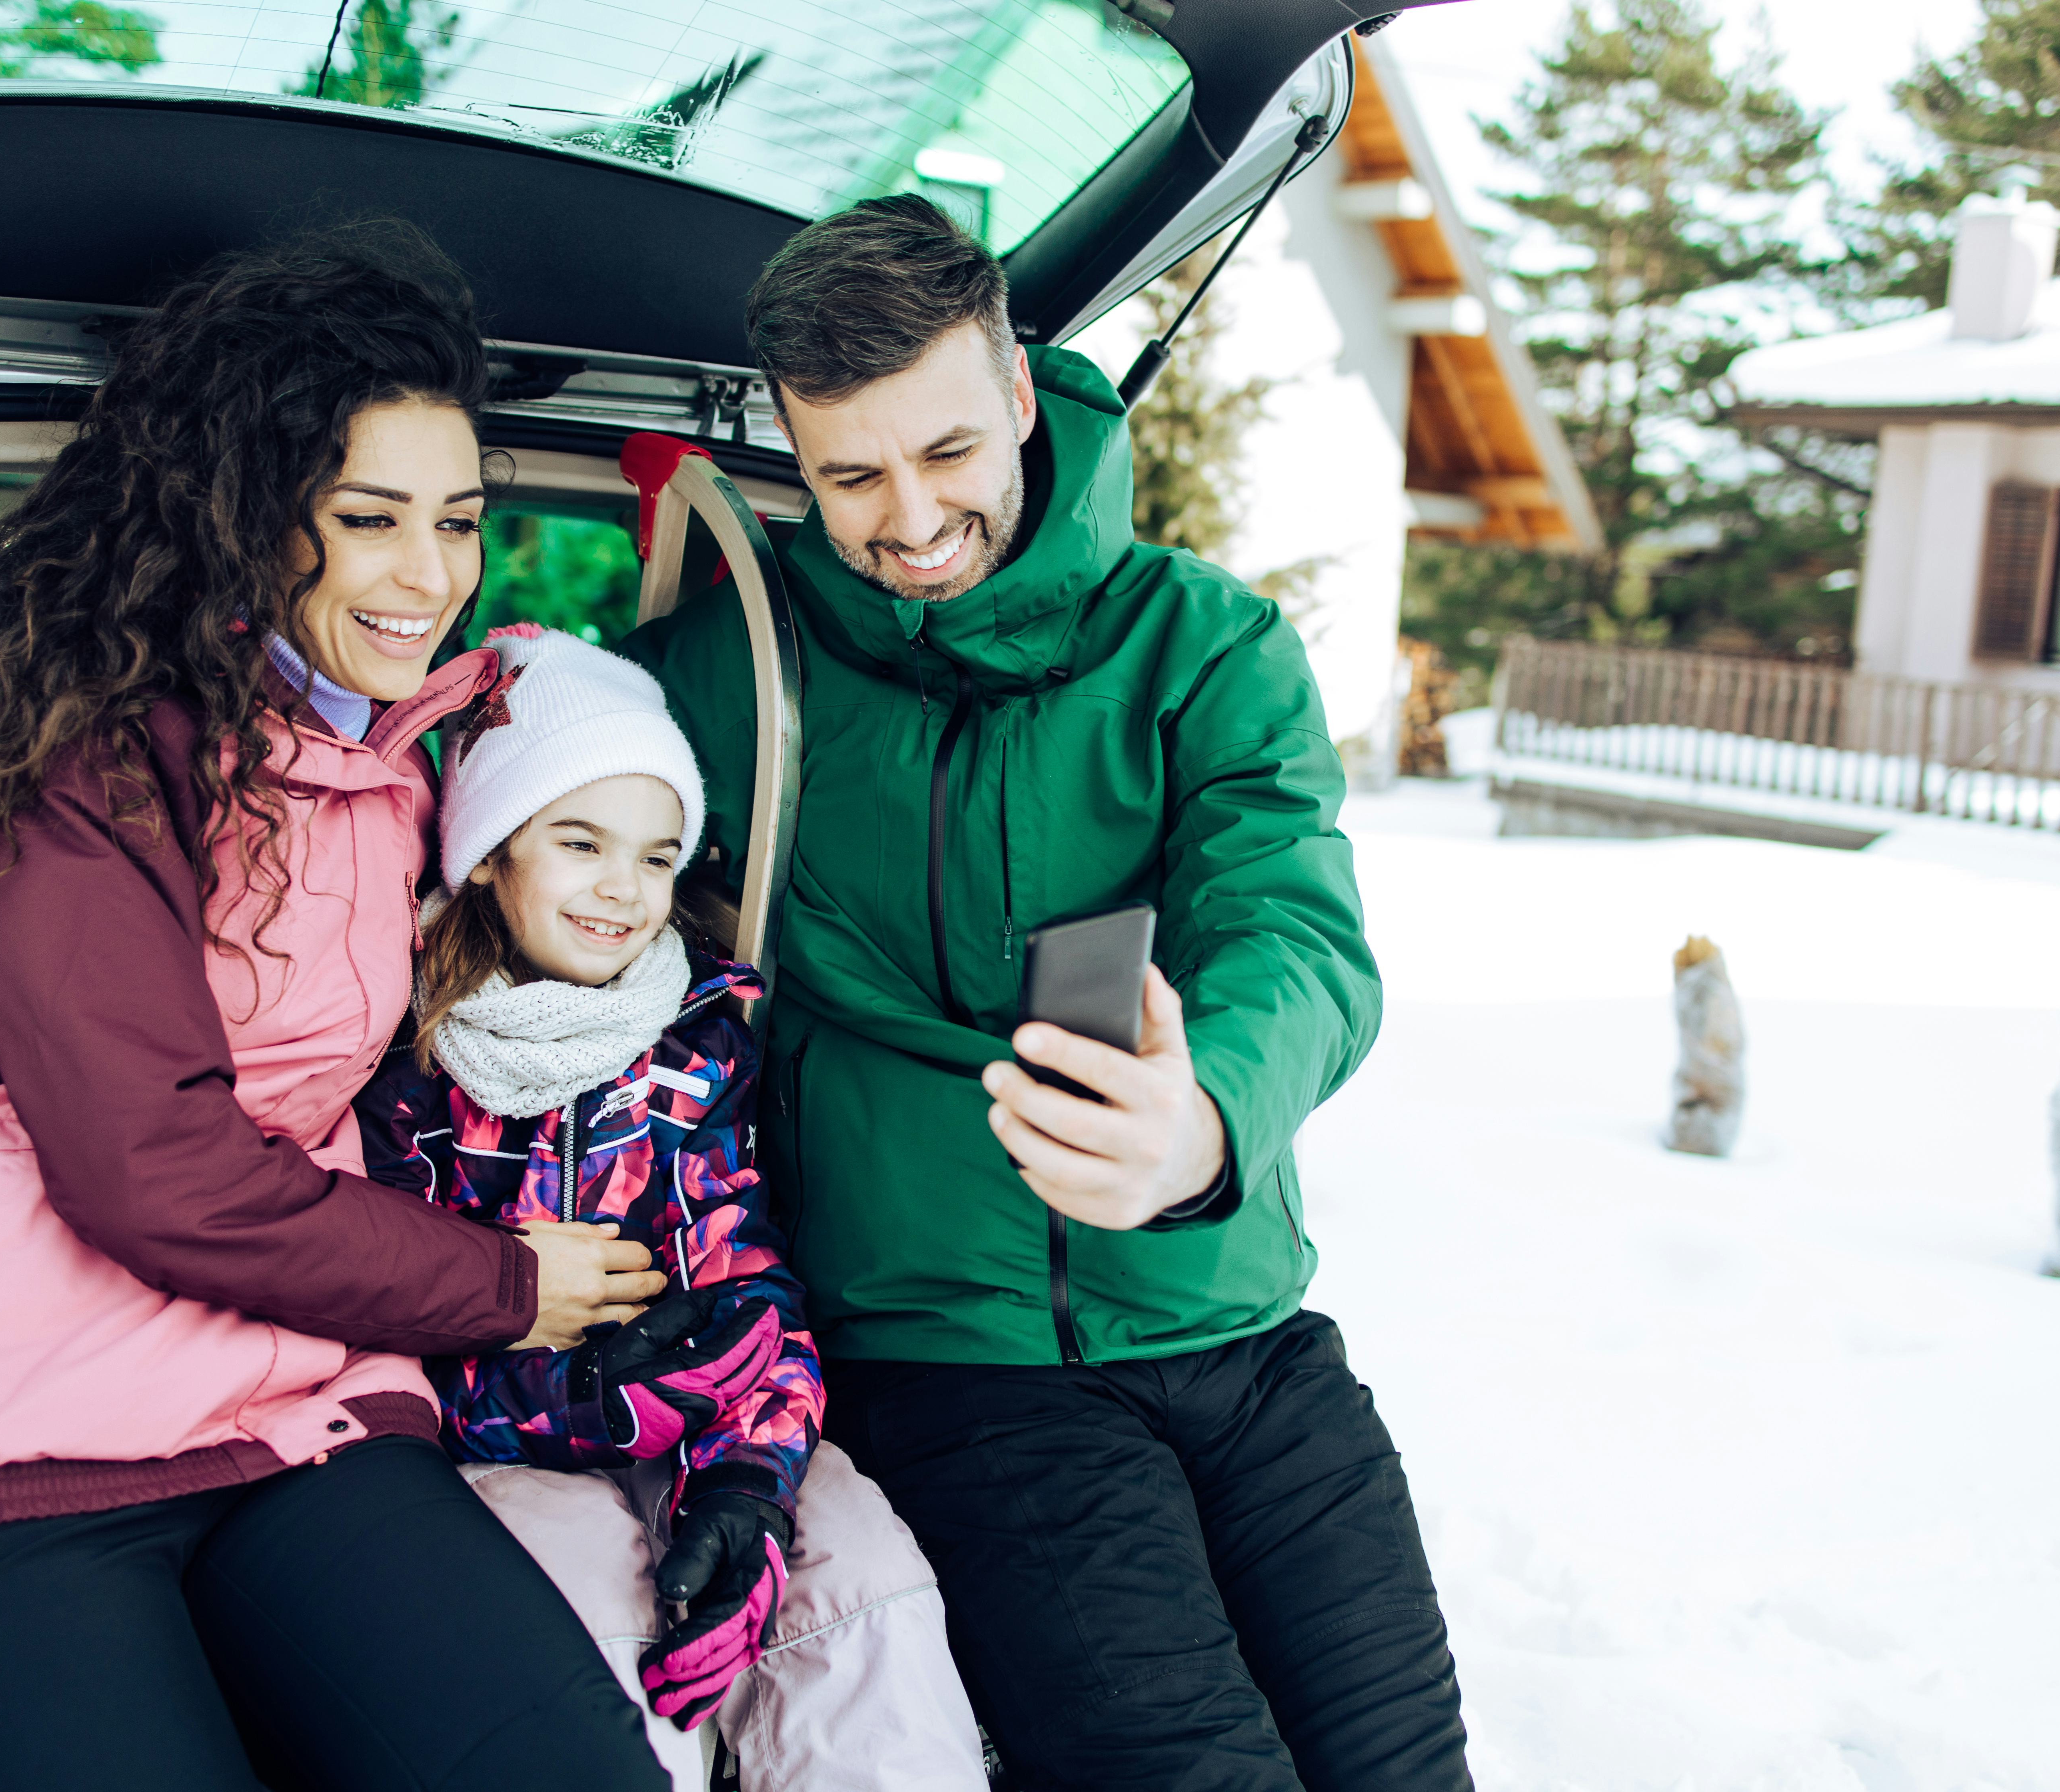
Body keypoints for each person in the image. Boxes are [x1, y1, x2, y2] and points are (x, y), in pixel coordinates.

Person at [0, 231, 670, 1792]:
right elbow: (150, 1164)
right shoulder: (76, 740)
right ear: (248, 513)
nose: (428, 574)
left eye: (456, 523)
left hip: (291, 1409)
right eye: (369, 520)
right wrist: (504, 1282)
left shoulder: (394, 769)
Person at [623, 196, 1473, 1791]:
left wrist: (1206, 1116)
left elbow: (1297, 929)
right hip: (958, 1355)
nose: (912, 515)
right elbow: (532, 796)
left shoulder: (1203, 647)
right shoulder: (737, 667)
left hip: (1241, 1321)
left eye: (946, 450)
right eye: (852, 475)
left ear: (1020, 390)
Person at [356, 624, 985, 1792]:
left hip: (693, 1427)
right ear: (491, 850)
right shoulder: (409, 1058)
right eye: (580, 842)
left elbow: (748, 1281)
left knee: (859, 1585)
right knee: (594, 1628)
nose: (621, 889)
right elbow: (370, 1297)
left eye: (655, 857)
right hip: (494, 1459)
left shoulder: (697, 1041)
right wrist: (526, 1342)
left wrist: (745, 1470)